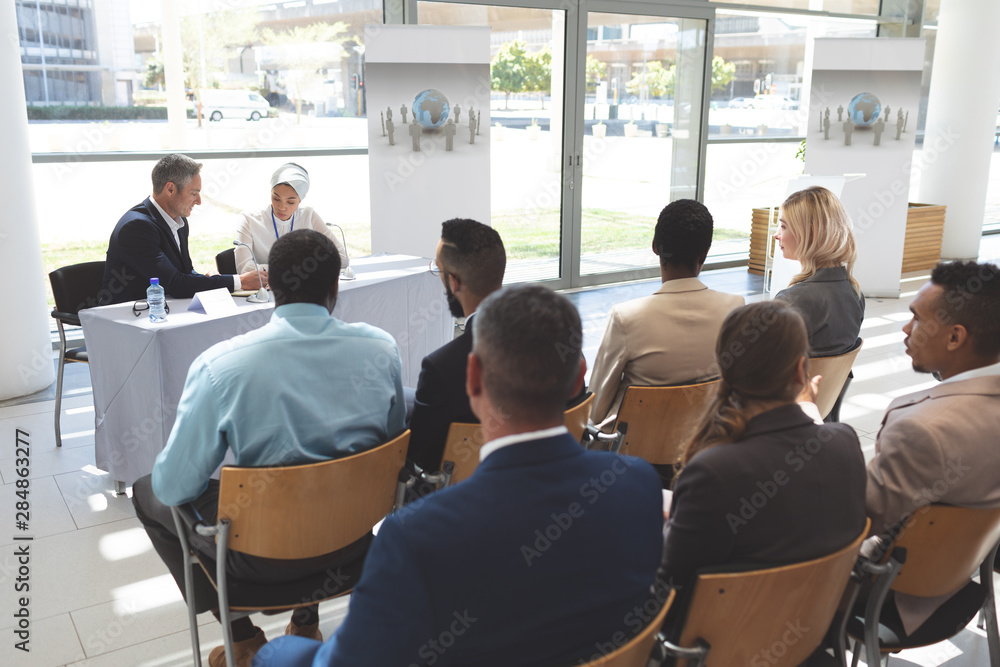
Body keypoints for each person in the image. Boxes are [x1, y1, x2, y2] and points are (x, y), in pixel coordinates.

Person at [255, 285, 665, 667]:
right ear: (579, 377)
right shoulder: (637, 484)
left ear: (473, 378)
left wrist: (278, 651)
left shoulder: (415, 536)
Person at [131, 229, 406, 667]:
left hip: (258, 562)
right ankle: (306, 620)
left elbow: (174, 486)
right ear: (335, 286)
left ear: (270, 285)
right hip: (355, 546)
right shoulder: (382, 348)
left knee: (148, 490)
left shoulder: (221, 366)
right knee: (329, 473)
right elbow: (391, 448)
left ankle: (242, 641)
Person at [659, 300, 866, 617]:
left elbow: (671, 582)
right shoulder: (845, 442)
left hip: (718, 643)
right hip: (811, 631)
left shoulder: (714, 471)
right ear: (800, 371)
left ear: (725, 368)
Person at [865, 261, 1000, 636]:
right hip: (966, 572)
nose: (906, 330)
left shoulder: (921, 429)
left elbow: (853, 523)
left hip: (897, 595)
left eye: (917, 320)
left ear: (956, 338)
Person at [589, 199, 744, 426]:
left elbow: (595, 410)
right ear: (705, 253)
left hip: (637, 453)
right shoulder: (734, 308)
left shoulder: (626, 318)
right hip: (707, 445)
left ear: (655, 246)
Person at [407, 219, 506, 473]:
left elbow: (422, 463)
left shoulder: (441, 368)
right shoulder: (557, 338)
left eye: (438, 271)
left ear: (454, 282)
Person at [100, 154, 262, 304]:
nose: (199, 201)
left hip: (166, 308)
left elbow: (184, 272)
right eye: (194, 193)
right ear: (170, 189)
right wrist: (240, 281)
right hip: (129, 316)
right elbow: (175, 284)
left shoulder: (179, 220)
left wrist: (207, 279)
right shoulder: (136, 227)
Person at [773, 186, 864, 357]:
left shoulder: (791, 301)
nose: (776, 235)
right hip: (832, 384)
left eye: (783, 226)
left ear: (811, 233)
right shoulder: (855, 294)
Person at [234, 162, 348, 275]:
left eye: (291, 202)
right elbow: (244, 269)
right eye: (276, 198)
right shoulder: (249, 220)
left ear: (300, 200)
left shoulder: (309, 216)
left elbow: (342, 259)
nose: (282, 207)